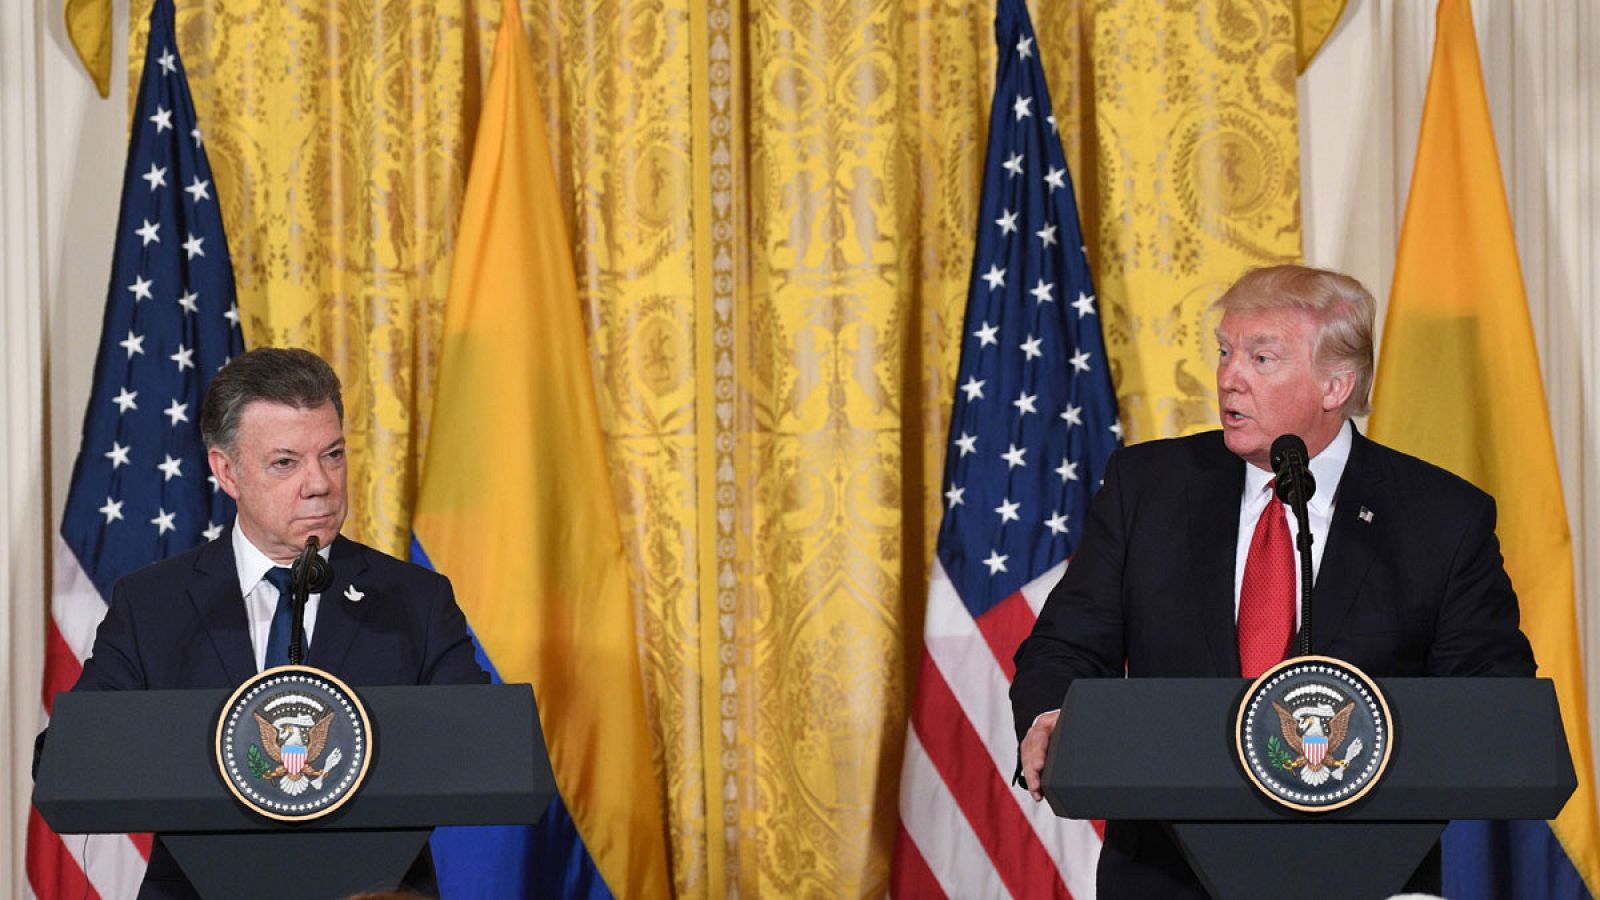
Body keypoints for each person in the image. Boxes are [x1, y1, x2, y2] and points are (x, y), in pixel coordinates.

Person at [1010, 265, 1535, 898]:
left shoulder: (1440, 518)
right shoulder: (1146, 487)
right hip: (1165, 874)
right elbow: (1066, 645)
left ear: (1335, 385)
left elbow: (1490, 694)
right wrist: (1051, 714)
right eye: (1226, 352)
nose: (1229, 377)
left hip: (1363, 873)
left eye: (1262, 358)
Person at [52, 347, 487, 898]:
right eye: (286, 462)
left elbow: (478, 747)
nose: (320, 484)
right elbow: (72, 752)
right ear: (226, 471)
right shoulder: (153, 605)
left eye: (332, 455)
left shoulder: (415, 602)